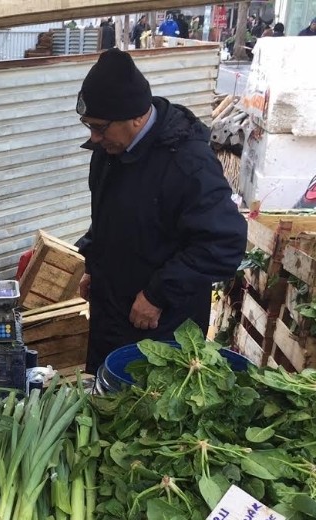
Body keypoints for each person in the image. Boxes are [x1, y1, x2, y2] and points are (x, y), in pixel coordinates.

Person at [72, 49, 246, 374]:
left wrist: (158, 295)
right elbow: (111, 217)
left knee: (148, 411)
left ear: (136, 117)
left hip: (162, 325)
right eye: (88, 126)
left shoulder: (188, 164)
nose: (93, 137)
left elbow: (223, 244)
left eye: (100, 127)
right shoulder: (110, 149)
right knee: (103, 399)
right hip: (110, 310)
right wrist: (94, 261)